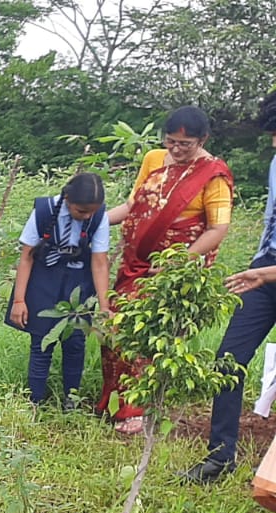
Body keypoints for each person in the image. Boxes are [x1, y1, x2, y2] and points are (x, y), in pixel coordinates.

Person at [101, 106, 234, 434]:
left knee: (151, 336)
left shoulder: (213, 173)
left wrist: (177, 263)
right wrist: (93, 221)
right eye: (171, 141)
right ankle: (114, 402)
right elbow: (135, 206)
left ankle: (139, 410)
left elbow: (217, 229)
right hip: (136, 264)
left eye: (185, 144)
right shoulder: (153, 160)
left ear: (202, 140)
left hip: (175, 272)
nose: (176, 149)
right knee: (114, 328)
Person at [181, 92, 276, 484]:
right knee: (227, 363)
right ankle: (220, 458)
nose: (273, 142)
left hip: (268, 275)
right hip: (265, 275)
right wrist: (260, 267)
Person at [6, 172, 111, 409]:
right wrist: (19, 300)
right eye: (81, 212)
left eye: (92, 212)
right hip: (43, 280)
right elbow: (26, 258)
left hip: (79, 283)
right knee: (41, 342)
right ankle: (34, 401)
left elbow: (100, 262)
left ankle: (71, 401)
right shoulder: (44, 211)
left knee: (75, 342)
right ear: (67, 199)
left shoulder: (98, 217)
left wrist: (104, 307)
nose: (87, 216)